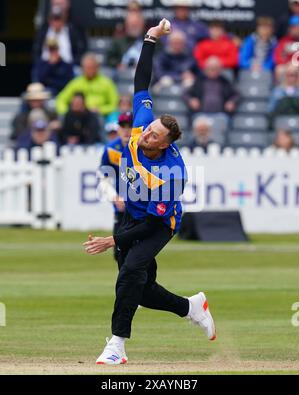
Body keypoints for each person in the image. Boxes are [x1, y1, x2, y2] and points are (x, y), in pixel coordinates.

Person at [83, 19, 216, 366]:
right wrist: (150, 39)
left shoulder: (171, 173)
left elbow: (149, 227)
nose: (146, 136)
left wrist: (113, 239)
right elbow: (141, 81)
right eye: (150, 130)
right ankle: (191, 307)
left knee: (129, 273)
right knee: (140, 289)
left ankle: (116, 346)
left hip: (158, 225)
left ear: (167, 145)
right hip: (132, 213)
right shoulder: (142, 123)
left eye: (156, 136)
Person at [99, 112, 133, 260]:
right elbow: (103, 178)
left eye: (130, 126)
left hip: (139, 207)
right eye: (123, 126)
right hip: (121, 209)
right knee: (119, 253)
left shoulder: (143, 148)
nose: (126, 130)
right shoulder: (111, 149)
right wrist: (114, 197)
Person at [56, 53, 119, 117]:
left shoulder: (107, 83)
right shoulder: (76, 83)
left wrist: (101, 110)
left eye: (91, 67)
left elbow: (115, 105)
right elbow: (61, 100)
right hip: (79, 117)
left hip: (101, 117)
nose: (89, 70)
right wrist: (68, 113)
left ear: (97, 67)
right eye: (87, 68)